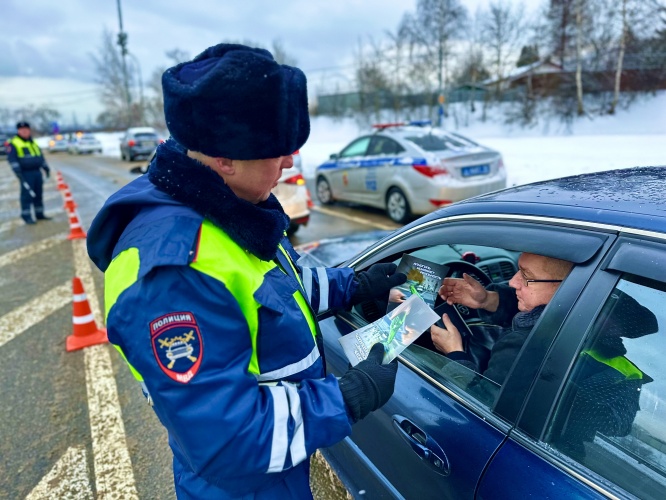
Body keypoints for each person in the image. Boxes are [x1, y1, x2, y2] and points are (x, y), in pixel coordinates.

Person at [86, 43, 406, 499]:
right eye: (277, 149)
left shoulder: (229, 206)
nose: (290, 161)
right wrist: (350, 395)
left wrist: (352, 285)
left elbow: (275, 293)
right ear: (225, 159)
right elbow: (227, 439)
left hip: (276, 475)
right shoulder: (173, 271)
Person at [431, 252, 573, 386]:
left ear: (564, 285)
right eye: (518, 271)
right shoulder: (573, 313)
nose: (512, 282)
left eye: (526, 276)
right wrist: (486, 300)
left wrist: (454, 353)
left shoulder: (522, 347)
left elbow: (480, 400)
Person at [6, 121, 51, 224]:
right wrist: (17, 171)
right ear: (18, 131)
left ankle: (39, 214)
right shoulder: (13, 143)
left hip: (37, 172)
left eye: (26, 129)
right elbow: (12, 159)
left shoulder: (33, 142)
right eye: (22, 130)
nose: (25, 131)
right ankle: (26, 216)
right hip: (25, 173)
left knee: (38, 194)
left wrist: (45, 167)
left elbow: (40, 156)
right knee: (27, 195)